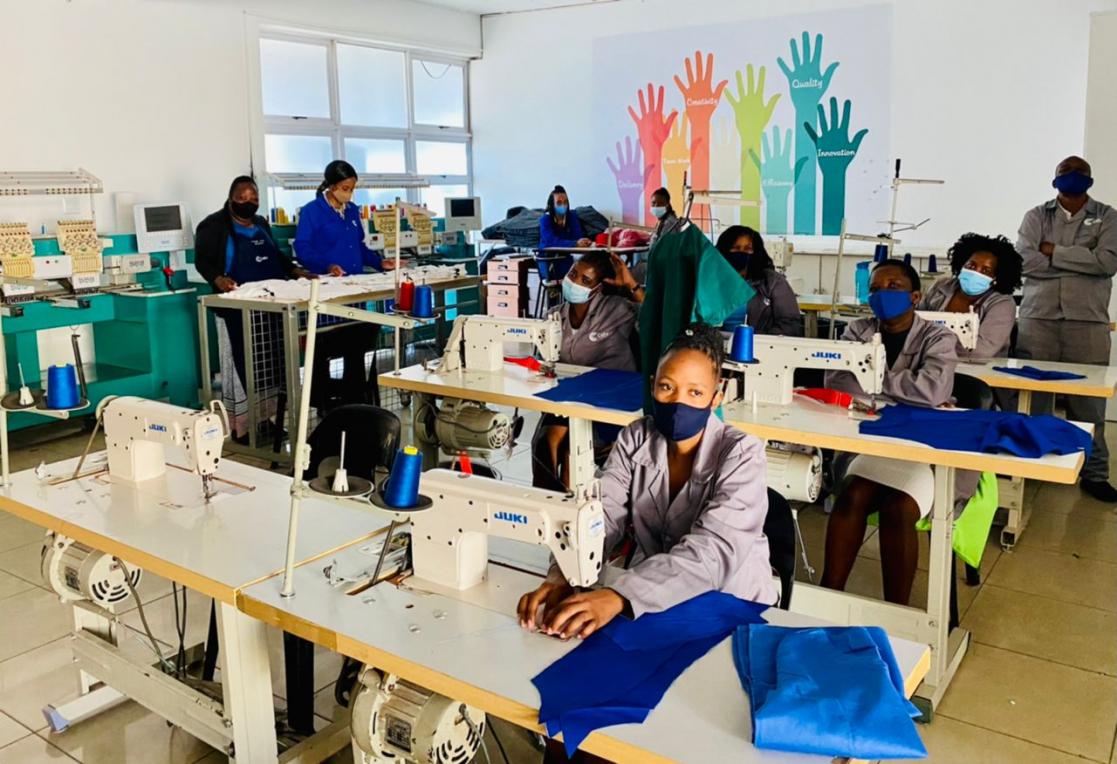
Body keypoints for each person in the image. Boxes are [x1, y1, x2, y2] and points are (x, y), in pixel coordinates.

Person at [519, 322, 777, 640]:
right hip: (655, 599)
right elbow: (603, 514)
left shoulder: (742, 454)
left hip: (730, 603)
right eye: (667, 387)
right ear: (653, 386)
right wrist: (563, 573)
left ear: (717, 397)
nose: (678, 401)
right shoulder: (636, 438)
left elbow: (714, 552)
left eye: (695, 392)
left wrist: (619, 596)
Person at [821, 259, 958, 605]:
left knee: (897, 508)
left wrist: (873, 385)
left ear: (915, 296)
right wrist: (904, 389)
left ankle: (897, 612)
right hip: (871, 445)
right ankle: (827, 598)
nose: (883, 294)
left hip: (922, 452)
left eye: (893, 287)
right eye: (875, 289)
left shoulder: (938, 336)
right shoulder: (857, 331)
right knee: (851, 497)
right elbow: (836, 381)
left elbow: (934, 391)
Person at [1017, 155, 1117, 502]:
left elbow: (1107, 263)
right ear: (1054, 179)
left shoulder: (1108, 216)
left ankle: (1094, 473)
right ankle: (1034, 464)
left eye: (1079, 173)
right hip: (1038, 318)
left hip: (1086, 321)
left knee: (1087, 405)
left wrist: (1053, 252)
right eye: (1065, 173)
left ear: (1089, 180)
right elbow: (1026, 260)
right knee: (1033, 400)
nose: (1072, 178)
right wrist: (1079, 260)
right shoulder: (1035, 216)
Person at [195, 175, 312, 441]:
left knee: (270, 367)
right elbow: (202, 261)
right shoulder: (213, 225)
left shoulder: (260, 224)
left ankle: (268, 421)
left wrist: (295, 271)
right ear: (231, 198)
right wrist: (218, 279)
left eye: (254, 198)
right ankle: (241, 428)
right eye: (242, 198)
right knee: (241, 366)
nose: (249, 202)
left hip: (271, 307)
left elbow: (276, 256)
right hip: (237, 309)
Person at [532, 251, 642, 491]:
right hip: (572, 395)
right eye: (574, 274)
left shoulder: (617, 309)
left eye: (586, 281)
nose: (575, 282)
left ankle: (567, 504)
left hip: (612, 397)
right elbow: (542, 361)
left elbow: (656, 313)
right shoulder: (554, 316)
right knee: (544, 443)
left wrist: (631, 285)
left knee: (573, 447)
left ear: (598, 288)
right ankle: (551, 501)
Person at [918, 233, 1022, 361]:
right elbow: (914, 325)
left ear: (996, 277)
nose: (975, 272)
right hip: (930, 364)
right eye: (971, 266)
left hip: (979, 370)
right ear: (962, 264)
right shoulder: (941, 287)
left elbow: (981, 350)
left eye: (985, 270)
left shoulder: (1002, 304)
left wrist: (928, 345)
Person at [293, 160, 395, 276]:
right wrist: (327, 266)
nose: (349, 193)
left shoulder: (352, 210)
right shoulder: (311, 211)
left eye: (352, 189)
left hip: (356, 280)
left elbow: (359, 247)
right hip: (330, 282)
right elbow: (302, 248)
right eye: (345, 189)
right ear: (332, 187)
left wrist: (379, 262)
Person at [716, 225, 802, 336]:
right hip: (714, 347)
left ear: (757, 252)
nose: (741, 253)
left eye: (748, 249)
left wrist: (760, 341)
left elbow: (789, 324)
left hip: (758, 347)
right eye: (736, 248)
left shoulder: (772, 283)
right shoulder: (712, 282)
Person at [632, 187, 684, 286]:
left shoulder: (669, 223)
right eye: (653, 203)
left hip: (664, 267)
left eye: (659, 204)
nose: (656, 206)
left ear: (667, 205)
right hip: (659, 265)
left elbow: (664, 248)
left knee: (634, 273)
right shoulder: (663, 221)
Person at [538, 185, 592, 251]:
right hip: (547, 256)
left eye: (565, 202)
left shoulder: (572, 216)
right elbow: (551, 241)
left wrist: (583, 242)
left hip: (567, 254)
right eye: (559, 203)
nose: (563, 205)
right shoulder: (545, 219)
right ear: (552, 205)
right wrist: (575, 243)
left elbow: (577, 237)